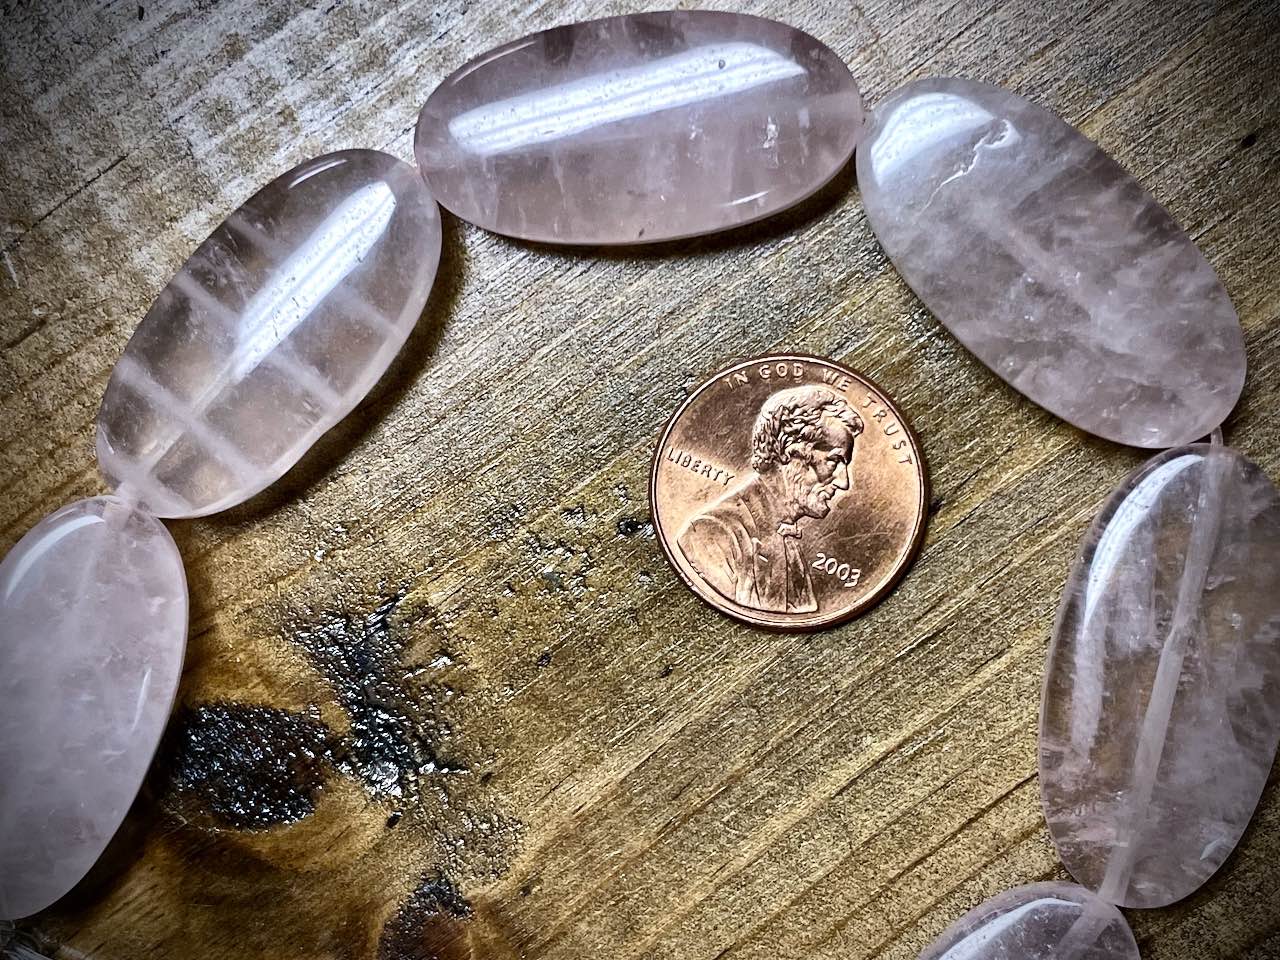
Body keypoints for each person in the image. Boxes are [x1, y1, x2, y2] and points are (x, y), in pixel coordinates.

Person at [678, 385, 863, 614]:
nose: (843, 482)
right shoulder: (711, 533)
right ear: (791, 452)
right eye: (833, 461)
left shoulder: (787, 536)